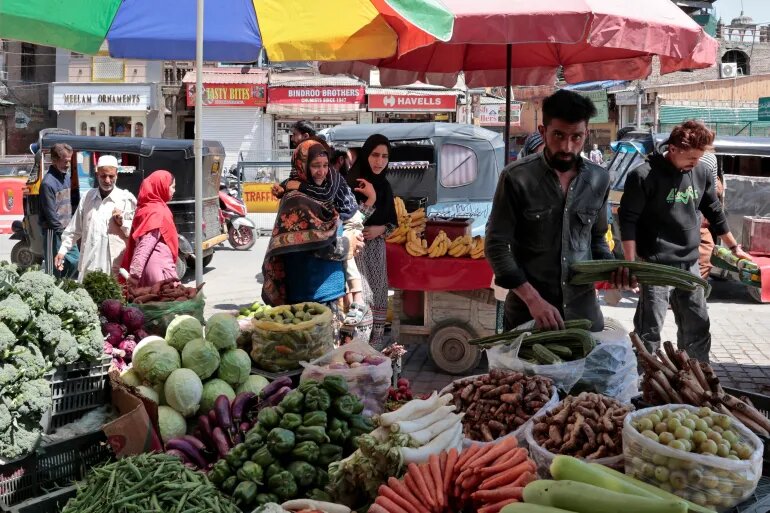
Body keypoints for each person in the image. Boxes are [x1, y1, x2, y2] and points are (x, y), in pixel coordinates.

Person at [619, 120, 751, 362]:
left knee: (698, 326)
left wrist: (735, 247)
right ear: (674, 149)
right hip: (656, 265)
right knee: (649, 330)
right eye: (692, 157)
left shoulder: (699, 172)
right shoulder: (643, 175)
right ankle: (641, 382)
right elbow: (628, 221)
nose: (696, 163)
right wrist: (631, 264)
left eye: (699, 157)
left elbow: (713, 210)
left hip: (690, 263)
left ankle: (696, 378)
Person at [486, 89, 616, 332]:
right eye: (558, 135)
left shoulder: (599, 179)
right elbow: (496, 246)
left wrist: (612, 268)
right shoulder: (516, 178)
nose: (567, 146)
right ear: (542, 131)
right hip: (529, 317)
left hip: (583, 315)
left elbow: (596, 238)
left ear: (586, 134)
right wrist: (534, 300)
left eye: (576, 137)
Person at [272, 139, 377, 325]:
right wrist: (349, 243)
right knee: (315, 348)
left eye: (325, 165)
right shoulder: (296, 200)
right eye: (314, 166)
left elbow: (345, 219)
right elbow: (317, 246)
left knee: (331, 348)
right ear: (301, 166)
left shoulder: (329, 187)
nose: (321, 171)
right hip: (309, 293)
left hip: (332, 290)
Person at [347, 134, 398, 349]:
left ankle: (374, 350)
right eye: (375, 155)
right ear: (366, 154)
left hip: (377, 251)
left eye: (384, 156)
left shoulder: (385, 185)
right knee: (361, 299)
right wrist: (371, 201)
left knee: (378, 296)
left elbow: (394, 223)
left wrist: (381, 229)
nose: (379, 161)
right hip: (355, 249)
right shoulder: (352, 183)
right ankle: (358, 349)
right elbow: (349, 222)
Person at [55, 155, 137, 281]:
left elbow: (134, 234)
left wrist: (122, 222)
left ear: (117, 175)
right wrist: (62, 251)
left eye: (111, 176)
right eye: (103, 176)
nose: (107, 180)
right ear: (97, 174)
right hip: (89, 265)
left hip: (114, 268)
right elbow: (74, 229)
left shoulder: (126, 199)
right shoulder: (88, 197)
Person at [121, 170, 179, 287]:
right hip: (159, 270)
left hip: (148, 269)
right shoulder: (157, 211)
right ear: (161, 187)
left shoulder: (145, 208)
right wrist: (134, 275)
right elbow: (146, 243)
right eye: (172, 187)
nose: (174, 190)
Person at [40, 143, 79, 279]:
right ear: (54, 160)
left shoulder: (66, 177)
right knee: (53, 270)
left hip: (66, 230)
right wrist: (63, 234)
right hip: (53, 232)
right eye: (65, 161)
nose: (68, 164)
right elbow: (50, 215)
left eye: (70, 160)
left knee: (75, 261)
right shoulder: (48, 183)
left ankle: (64, 287)